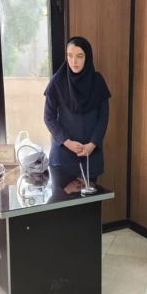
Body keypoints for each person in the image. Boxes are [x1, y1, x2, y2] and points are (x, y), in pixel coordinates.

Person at [44, 36, 110, 184]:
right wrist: (67, 142)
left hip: (90, 154)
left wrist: (92, 144)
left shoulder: (98, 82)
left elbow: (103, 117)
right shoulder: (57, 81)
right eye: (70, 55)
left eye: (79, 56)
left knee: (89, 198)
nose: (74, 61)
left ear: (87, 57)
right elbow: (49, 117)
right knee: (62, 199)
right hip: (63, 156)